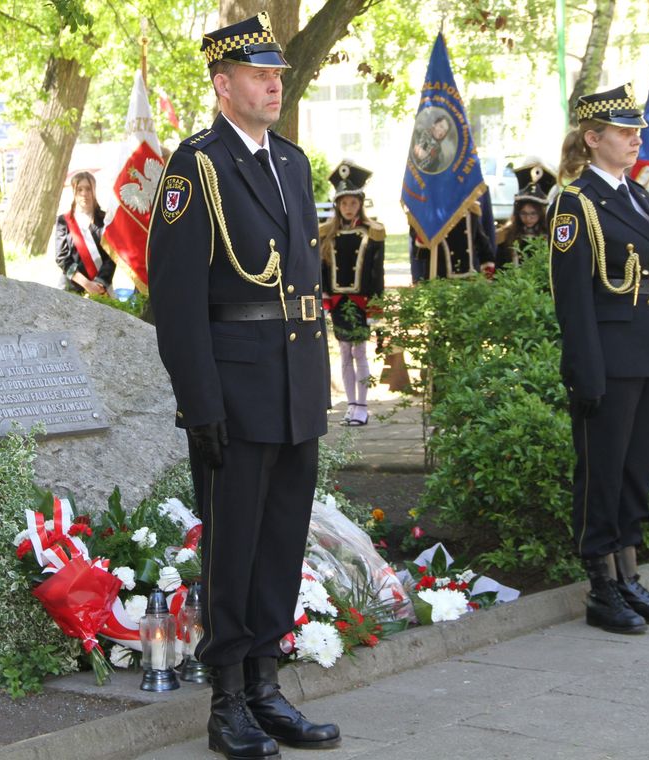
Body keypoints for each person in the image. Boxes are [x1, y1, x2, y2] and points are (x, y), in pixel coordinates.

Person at [146, 13, 339, 760]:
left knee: (282, 542)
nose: (273, 84)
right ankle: (227, 698)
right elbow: (178, 300)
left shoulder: (289, 163)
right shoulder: (195, 169)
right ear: (222, 85)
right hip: (235, 385)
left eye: (278, 75)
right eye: (260, 75)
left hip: (294, 382)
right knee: (234, 547)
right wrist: (199, 402)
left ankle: (265, 684)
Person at [549, 83, 649, 635]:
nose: (636, 139)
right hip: (610, 358)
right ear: (593, 138)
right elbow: (572, 296)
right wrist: (586, 369)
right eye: (625, 132)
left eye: (636, 131)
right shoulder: (575, 202)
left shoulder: (638, 196)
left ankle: (629, 575)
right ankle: (601, 585)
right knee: (601, 474)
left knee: (635, 472)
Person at [320, 160, 385, 426]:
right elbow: (323, 269)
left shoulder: (373, 233)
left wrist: (376, 307)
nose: (348, 208)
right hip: (338, 302)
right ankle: (351, 404)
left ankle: (363, 405)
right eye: (344, 203)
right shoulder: (327, 233)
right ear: (337, 205)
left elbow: (376, 272)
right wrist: (324, 297)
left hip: (361, 302)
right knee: (344, 351)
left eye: (353, 203)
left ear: (360, 204)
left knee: (360, 352)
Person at [55, 171, 115, 296]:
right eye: (79, 189)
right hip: (71, 289)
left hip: (101, 289)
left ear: (94, 190)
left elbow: (112, 256)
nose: (84, 194)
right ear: (74, 192)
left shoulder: (106, 220)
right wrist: (87, 284)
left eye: (88, 189)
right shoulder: (64, 221)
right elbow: (62, 259)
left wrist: (99, 284)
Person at [409, 202, 495, 282]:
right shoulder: (429, 213)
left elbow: (483, 245)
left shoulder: (471, 210)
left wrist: (487, 277)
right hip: (439, 280)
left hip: (470, 281)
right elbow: (420, 253)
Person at [497, 161, 556, 267]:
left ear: (541, 214)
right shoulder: (508, 234)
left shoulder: (551, 235)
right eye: (523, 214)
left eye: (533, 214)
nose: (528, 218)